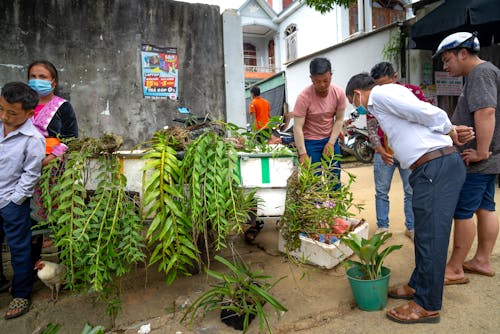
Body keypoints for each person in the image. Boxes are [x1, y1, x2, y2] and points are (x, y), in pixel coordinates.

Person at [345, 73, 473, 324]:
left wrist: (450, 128)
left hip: (435, 166)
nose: (356, 107)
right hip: (430, 167)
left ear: (357, 94)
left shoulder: (381, 94)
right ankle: (418, 285)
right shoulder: (387, 97)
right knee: (425, 235)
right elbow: (416, 120)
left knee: (431, 237)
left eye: (353, 101)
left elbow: (423, 110)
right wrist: (449, 133)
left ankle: (427, 305)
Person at [434, 32, 500, 284]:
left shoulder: (481, 74)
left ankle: (455, 268)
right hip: (488, 158)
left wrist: (481, 151)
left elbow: (486, 111)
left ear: (464, 53)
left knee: (463, 212)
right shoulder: (484, 73)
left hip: (478, 159)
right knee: (485, 207)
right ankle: (481, 260)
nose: (445, 65)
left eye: (448, 59)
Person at [0, 82, 46, 319]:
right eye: (1, 109)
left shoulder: (33, 139)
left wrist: (16, 200)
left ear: (29, 114)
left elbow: (31, 174)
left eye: (12, 113)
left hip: (12, 203)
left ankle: (21, 293)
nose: (5, 116)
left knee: (19, 248)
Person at [368, 62, 428, 241]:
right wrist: (379, 149)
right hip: (383, 152)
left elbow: (424, 116)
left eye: (386, 84)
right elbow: (371, 127)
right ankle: (383, 226)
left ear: (395, 77)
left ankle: (411, 226)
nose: (383, 90)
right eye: (379, 86)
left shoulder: (413, 92)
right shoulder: (373, 98)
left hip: (408, 153)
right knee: (381, 191)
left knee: (411, 190)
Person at [27, 60, 78, 264]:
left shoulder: (63, 107)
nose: (37, 81)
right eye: (33, 76)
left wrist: (47, 160)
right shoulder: (23, 106)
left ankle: (68, 267)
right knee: (32, 221)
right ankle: (32, 267)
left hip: (55, 171)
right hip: (27, 172)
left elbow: (70, 138)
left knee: (62, 215)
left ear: (53, 82)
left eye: (42, 77)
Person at [293, 57, 346, 188]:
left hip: (330, 140)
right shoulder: (303, 97)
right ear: (311, 78)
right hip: (310, 143)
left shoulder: (338, 94)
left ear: (331, 76)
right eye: (317, 81)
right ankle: (317, 208)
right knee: (314, 184)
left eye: (326, 81)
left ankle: (335, 207)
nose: (322, 85)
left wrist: (331, 142)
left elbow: (339, 119)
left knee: (334, 180)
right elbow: (297, 128)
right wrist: (303, 153)